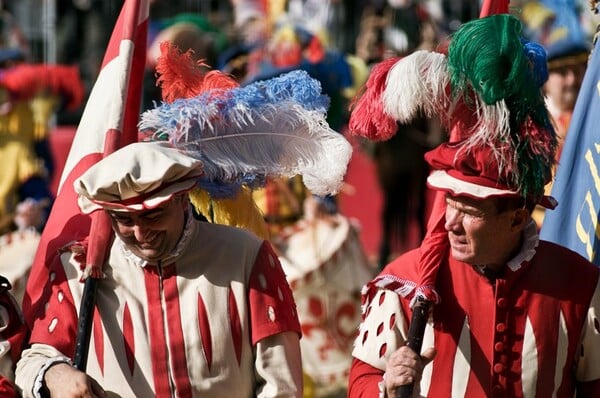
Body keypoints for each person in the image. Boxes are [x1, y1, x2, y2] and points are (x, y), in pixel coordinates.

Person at [346, 11, 600, 398]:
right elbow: (360, 382)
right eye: (451, 202)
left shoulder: (579, 283)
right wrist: (385, 384)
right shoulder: (405, 279)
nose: (451, 222)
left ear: (517, 217)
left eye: (470, 209)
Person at [15, 140, 304, 397]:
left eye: (153, 216)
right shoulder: (77, 265)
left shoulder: (246, 254)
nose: (140, 234)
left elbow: (281, 386)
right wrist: (55, 373)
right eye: (124, 220)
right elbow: (32, 362)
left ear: (181, 199)